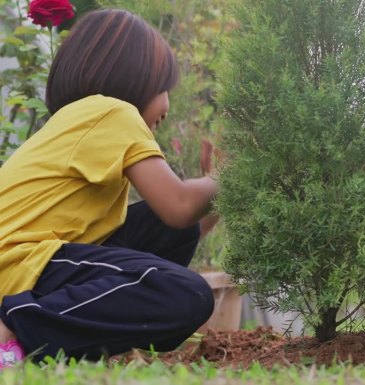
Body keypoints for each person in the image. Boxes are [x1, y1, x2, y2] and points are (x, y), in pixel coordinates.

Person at [0, 9, 219, 368]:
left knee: (162, 228)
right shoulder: (113, 112)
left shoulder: (81, 120)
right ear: (135, 77)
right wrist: (228, 178)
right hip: (21, 263)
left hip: (32, 263)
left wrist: (217, 197)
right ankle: (10, 328)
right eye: (164, 87)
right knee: (188, 293)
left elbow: (179, 222)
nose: (167, 105)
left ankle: (41, 338)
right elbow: (179, 203)